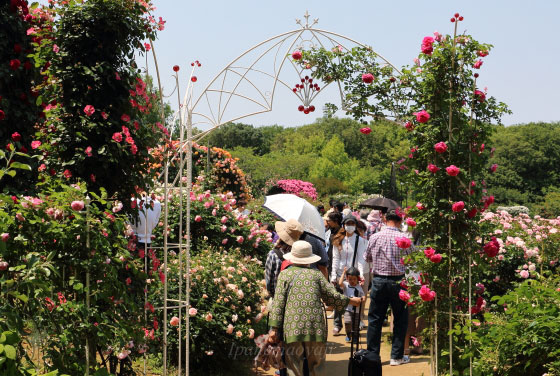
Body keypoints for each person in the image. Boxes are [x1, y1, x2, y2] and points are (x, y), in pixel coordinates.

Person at [269, 241, 362, 376]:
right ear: (309, 258)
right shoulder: (316, 274)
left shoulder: (285, 275)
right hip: (315, 327)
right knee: (317, 366)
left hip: (292, 326)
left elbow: (278, 303)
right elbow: (331, 296)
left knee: (294, 365)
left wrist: (274, 328)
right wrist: (350, 301)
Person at [364, 209, 414, 366]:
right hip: (398, 282)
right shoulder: (404, 237)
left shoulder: (375, 237)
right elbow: (412, 258)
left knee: (375, 319)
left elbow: (367, 257)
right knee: (400, 318)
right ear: (400, 221)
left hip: (379, 281)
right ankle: (396, 356)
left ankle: (372, 356)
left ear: (385, 220)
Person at [330, 214, 370, 335]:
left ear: (356, 226)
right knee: (339, 299)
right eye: (348, 224)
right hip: (340, 274)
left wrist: (361, 274)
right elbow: (335, 258)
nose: (350, 226)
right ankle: (337, 325)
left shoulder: (361, 240)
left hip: (353, 275)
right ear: (343, 225)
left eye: (352, 224)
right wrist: (333, 275)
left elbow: (361, 259)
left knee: (355, 299)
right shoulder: (338, 240)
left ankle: (356, 322)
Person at [265, 219, 303, 298]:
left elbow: (269, 280)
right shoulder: (301, 254)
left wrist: (272, 295)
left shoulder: (273, 254)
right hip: (295, 297)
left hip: (278, 296)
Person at [338, 266, 365, 343]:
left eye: (354, 279)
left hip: (356, 309)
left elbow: (363, 296)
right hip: (347, 309)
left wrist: (361, 299)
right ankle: (348, 334)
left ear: (357, 279)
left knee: (356, 324)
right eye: (350, 279)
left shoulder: (358, 287)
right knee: (347, 322)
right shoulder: (346, 285)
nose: (352, 281)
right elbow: (340, 283)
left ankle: (355, 337)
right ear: (347, 278)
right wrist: (343, 273)